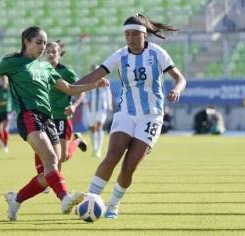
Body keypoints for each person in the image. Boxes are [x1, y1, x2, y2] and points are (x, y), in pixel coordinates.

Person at [0, 26, 109, 221]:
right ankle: (65, 197)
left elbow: (69, 89)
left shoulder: (45, 67)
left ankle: (15, 199)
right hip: (28, 117)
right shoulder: (12, 62)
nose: (43, 47)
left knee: (48, 173)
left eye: (45, 43)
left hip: (49, 119)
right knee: (52, 161)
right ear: (26, 42)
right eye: (39, 42)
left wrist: (95, 84)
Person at [76, 13, 186, 218]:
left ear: (144, 35)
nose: (131, 39)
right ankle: (90, 199)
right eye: (127, 34)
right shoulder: (119, 55)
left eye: (135, 34)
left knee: (129, 166)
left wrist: (177, 88)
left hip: (151, 116)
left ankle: (113, 205)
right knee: (112, 156)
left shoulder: (157, 53)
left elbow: (179, 78)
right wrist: (71, 88)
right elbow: (94, 76)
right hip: (126, 111)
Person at [35, 40, 87, 194]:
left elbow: (80, 90)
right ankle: (51, 180)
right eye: (48, 51)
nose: (51, 54)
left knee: (62, 157)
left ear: (59, 54)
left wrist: (74, 106)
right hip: (44, 116)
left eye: (54, 52)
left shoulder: (66, 72)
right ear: (44, 53)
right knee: (42, 148)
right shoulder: (39, 70)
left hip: (61, 117)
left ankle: (77, 140)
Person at [84, 65, 113, 158]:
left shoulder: (104, 81)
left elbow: (108, 93)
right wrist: (86, 101)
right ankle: (95, 148)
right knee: (92, 128)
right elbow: (84, 93)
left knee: (99, 126)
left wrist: (109, 104)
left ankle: (98, 149)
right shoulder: (88, 82)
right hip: (91, 109)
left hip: (102, 108)